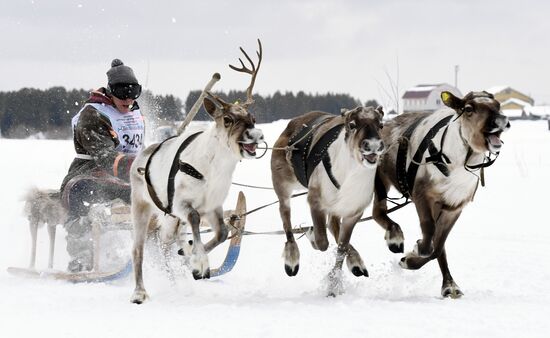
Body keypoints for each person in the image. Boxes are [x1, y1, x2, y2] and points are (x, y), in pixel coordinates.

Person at [60, 59, 145, 272]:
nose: (128, 99)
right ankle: (81, 255)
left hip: (131, 176)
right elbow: (106, 157)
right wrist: (137, 168)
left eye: (133, 92)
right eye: (122, 93)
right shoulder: (93, 114)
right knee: (83, 196)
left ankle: (161, 250)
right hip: (89, 173)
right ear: (110, 91)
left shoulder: (135, 112)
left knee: (156, 199)